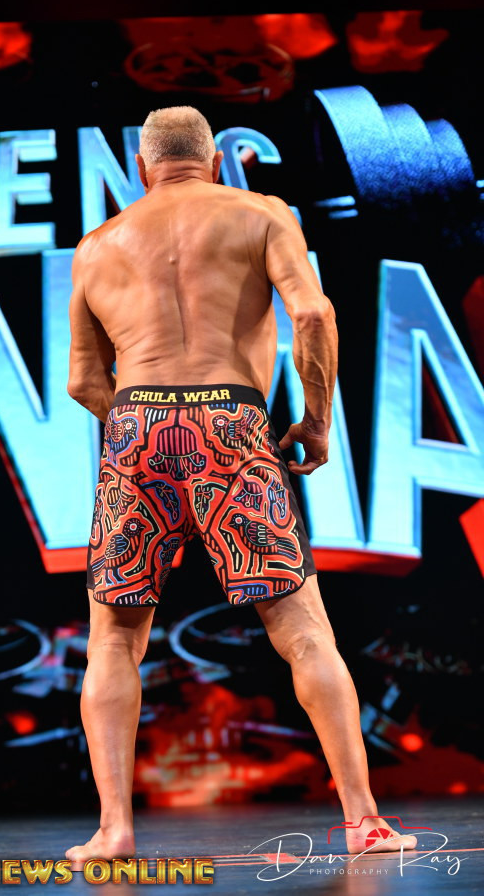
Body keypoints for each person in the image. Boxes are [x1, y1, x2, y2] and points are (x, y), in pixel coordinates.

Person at [65, 106, 416, 865]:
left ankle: (114, 831)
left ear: (142, 169)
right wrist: (315, 420)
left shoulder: (96, 245)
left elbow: (83, 381)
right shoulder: (259, 213)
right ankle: (364, 821)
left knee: (114, 640)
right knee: (303, 631)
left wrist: (141, 428)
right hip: (232, 424)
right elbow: (312, 313)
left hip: (136, 426)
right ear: (216, 160)